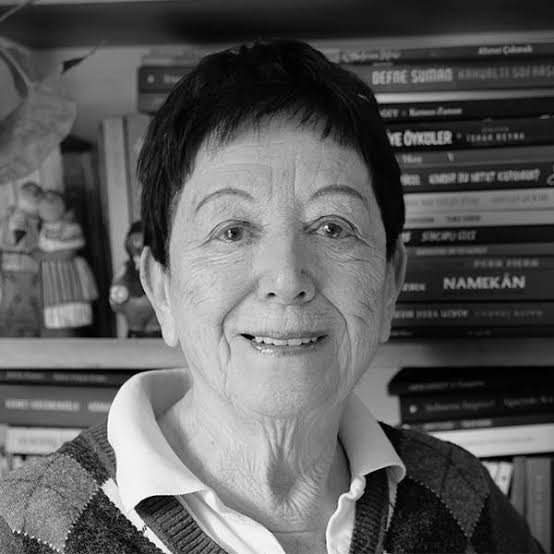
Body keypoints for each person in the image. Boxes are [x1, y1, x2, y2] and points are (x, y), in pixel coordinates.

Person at [0, 39, 543, 554]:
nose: (286, 277)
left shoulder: (462, 498)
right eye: (232, 230)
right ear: (159, 286)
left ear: (390, 281)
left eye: (333, 227)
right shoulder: (21, 529)